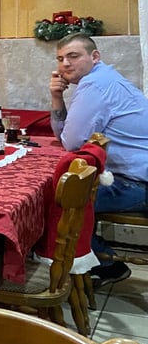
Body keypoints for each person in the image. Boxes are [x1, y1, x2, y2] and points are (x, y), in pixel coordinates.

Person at [49, 32, 148, 287]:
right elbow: (71, 139)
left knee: (55, 198)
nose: (65, 64)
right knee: (69, 187)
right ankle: (95, 261)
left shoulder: (95, 86)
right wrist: (58, 98)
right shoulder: (104, 78)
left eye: (73, 56)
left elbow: (70, 143)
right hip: (134, 175)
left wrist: (57, 102)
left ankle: (104, 265)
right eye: (60, 59)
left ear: (94, 57)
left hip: (137, 184)